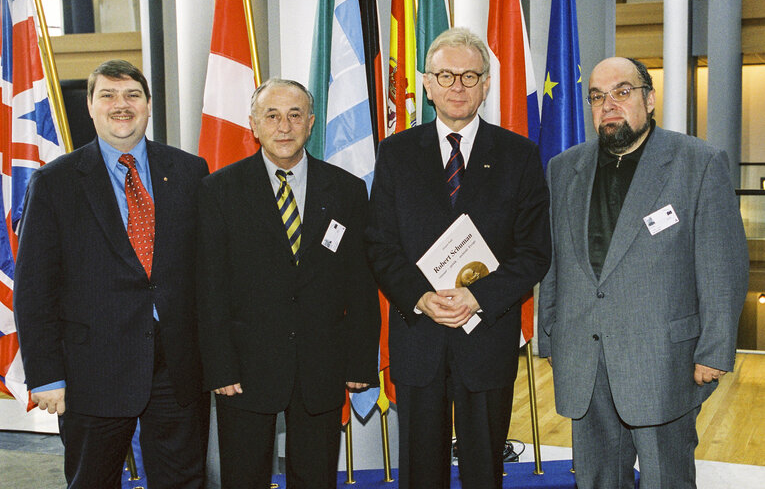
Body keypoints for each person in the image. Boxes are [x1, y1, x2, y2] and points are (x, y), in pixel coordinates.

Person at [537, 56, 749, 489]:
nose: (608, 104)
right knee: (596, 480)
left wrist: (716, 348)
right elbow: (556, 263)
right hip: (585, 360)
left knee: (665, 480)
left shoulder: (698, 163)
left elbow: (722, 264)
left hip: (662, 362)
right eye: (597, 96)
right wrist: (552, 334)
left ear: (649, 99)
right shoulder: (564, 169)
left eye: (622, 91)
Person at [366, 28, 551, 489]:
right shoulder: (395, 154)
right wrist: (421, 298)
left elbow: (534, 253)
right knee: (419, 471)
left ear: (487, 84)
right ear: (427, 84)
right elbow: (379, 243)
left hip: (486, 337)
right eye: (445, 75)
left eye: (470, 76)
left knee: (484, 470)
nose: (457, 87)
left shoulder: (520, 155)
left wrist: (478, 296)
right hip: (419, 338)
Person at [14, 59, 210, 488]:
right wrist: (46, 374)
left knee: (183, 481)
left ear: (148, 105)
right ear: (89, 105)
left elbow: (207, 272)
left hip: (176, 368)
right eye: (108, 95)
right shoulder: (54, 182)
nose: (121, 105)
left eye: (132, 95)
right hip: (91, 370)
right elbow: (33, 289)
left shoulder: (190, 171)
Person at [197, 78, 380, 489]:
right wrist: (220, 365)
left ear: (310, 123)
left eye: (295, 115)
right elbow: (210, 289)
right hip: (244, 369)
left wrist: (361, 361)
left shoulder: (347, 190)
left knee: (315, 479)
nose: (284, 126)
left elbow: (361, 284)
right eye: (272, 116)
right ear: (253, 125)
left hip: (323, 366)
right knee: (244, 479)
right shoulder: (218, 191)